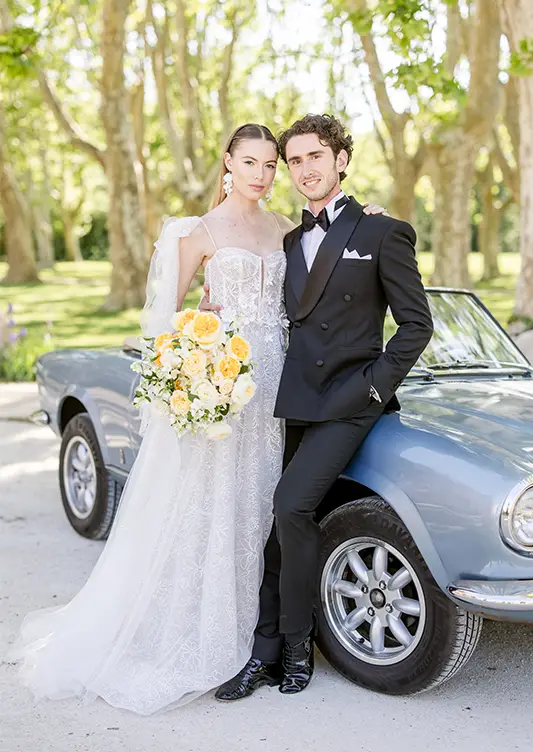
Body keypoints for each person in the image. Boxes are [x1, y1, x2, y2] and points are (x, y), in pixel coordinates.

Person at [11, 122, 385, 714]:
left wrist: (370, 222)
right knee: (213, 507)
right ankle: (209, 634)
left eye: (271, 164)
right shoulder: (198, 232)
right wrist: (194, 361)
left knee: (264, 509)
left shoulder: (287, 230)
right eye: (251, 162)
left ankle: (266, 636)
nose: (262, 174)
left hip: (279, 388)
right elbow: (165, 320)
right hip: (224, 387)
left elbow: (326, 278)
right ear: (228, 164)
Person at [212, 114, 434, 701]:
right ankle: (263, 653)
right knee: (278, 529)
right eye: (295, 161)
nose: (305, 169)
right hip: (296, 399)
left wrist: (374, 386)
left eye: (316, 156)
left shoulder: (384, 231)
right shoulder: (289, 241)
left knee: (290, 504)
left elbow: (416, 325)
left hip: (351, 400)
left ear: (341, 159)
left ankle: (297, 645)